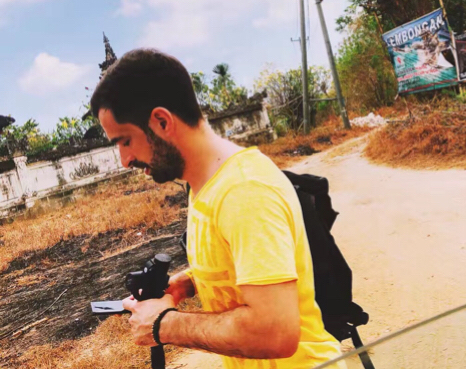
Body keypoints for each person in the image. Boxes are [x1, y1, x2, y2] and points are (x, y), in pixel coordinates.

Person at [92, 47, 343, 366]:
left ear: (161, 121)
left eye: (125, 141)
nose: (125, 160)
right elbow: (238, 259)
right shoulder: (206, 184)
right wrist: (187, 283)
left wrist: (162, 325)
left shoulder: (244, 190)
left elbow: (275, 333)